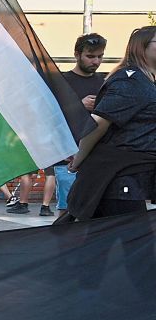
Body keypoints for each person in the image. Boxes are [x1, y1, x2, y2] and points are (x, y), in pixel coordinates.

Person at [67, 25, 156, 219]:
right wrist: (78, 158)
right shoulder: (131, 81)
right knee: (135, 243)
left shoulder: (146, 81)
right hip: (118, 179)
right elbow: (98, 123)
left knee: (104, 244)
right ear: (142, 47)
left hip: (130, 179)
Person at [43, 33, 108, 215]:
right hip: (67, 157)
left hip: (97, 157)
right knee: (68, 211)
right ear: (77, 54)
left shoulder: (105, 83)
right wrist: (78, 104)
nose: (96, 61)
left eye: (100, 56)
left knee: (94, 213)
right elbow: (48, 115)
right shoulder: (61, 82)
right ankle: (67, 243)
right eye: (90, 56)